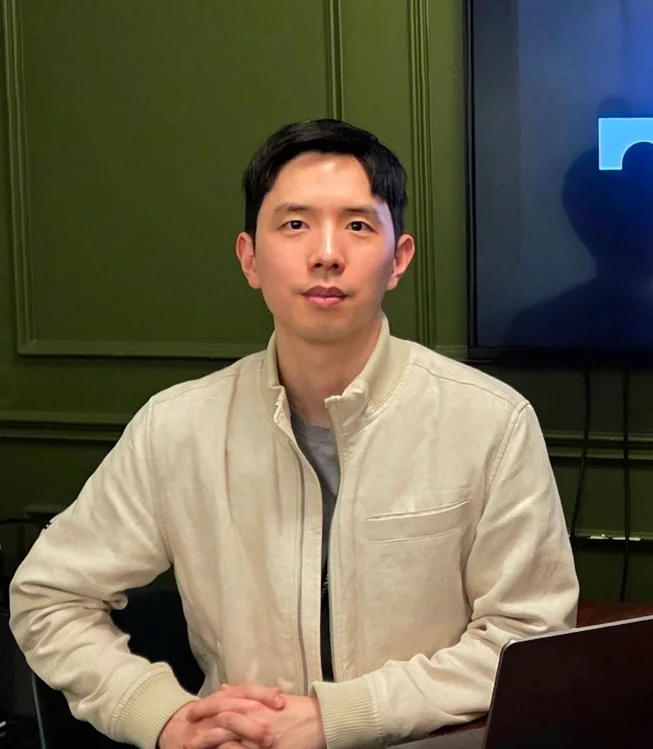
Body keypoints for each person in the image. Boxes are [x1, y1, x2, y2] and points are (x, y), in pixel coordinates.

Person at [8, 119, 579, 749]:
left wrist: (342, 717)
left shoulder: (490, 422)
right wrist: (162, 715)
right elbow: (48, 597)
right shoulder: (178, 428)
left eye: (357, 225)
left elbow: (530, 636)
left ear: (399, 259)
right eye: (295, 224)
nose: (326, 253)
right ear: (250, 258)